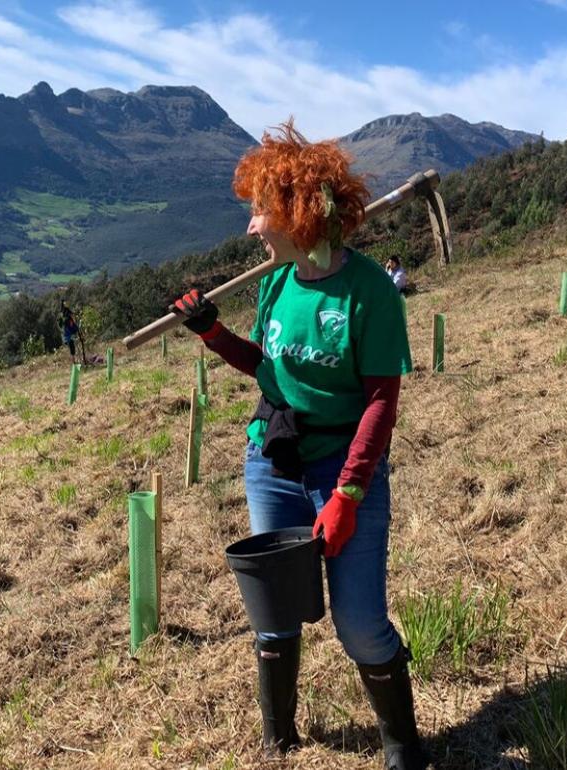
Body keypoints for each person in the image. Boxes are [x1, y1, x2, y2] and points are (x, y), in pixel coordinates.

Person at [170, 120, 427, 769]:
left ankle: (402, 744)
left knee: (360, 624)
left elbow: (380, 402)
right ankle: (278, 739)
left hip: (344, 466)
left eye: (261, 212)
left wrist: (347, 493)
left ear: (297, 213)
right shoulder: (277, 282)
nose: (253, 228)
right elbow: (268, 368)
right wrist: (212, 334)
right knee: (274, 612)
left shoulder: (368, 293)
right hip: (273, 458)